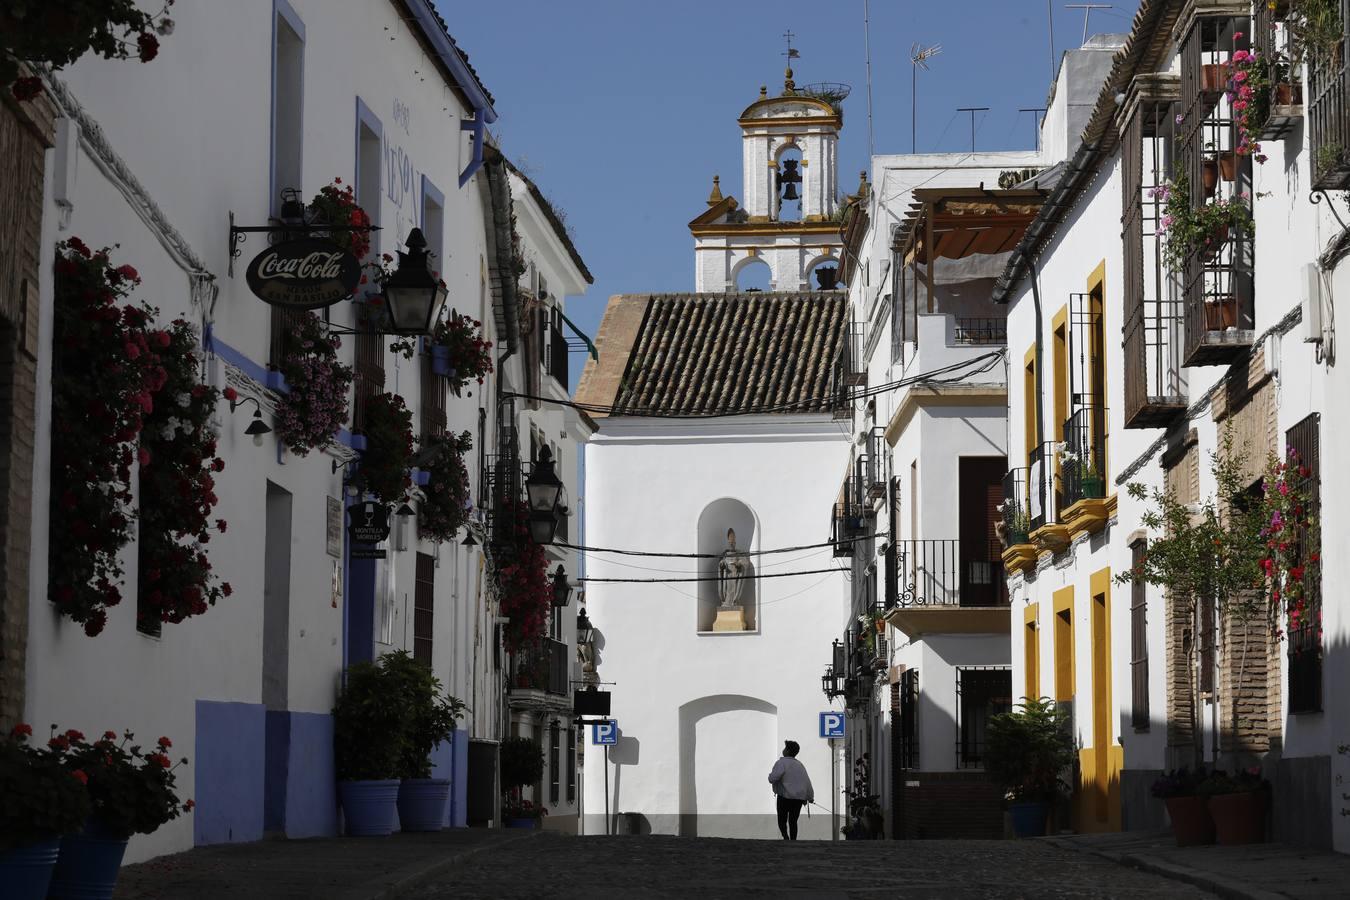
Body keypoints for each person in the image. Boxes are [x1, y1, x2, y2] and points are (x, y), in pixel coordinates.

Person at [767, 740, 814, 840]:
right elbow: (806, 781)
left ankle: (785, 837)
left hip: (784, 796)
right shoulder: (800, 765)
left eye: (785, 748)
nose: (783, 750)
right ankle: (793, 840)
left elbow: (772, 779)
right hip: (798, 798)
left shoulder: (781, 763)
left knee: (782, 819)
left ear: (787, 751)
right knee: (793, 821)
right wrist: (810, 797)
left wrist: (770, 776)